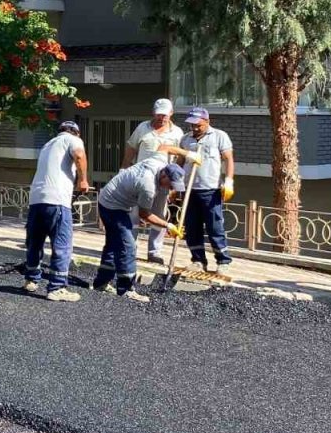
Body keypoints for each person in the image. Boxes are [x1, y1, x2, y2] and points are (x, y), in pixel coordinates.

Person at [94, 158, 198, 300]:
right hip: (113, 205)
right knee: (128, 246)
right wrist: (168, 225)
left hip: (110, 199)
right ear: (164, 176)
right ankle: (126, 288)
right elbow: (144, 214)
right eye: (171, 185)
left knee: (113, 244)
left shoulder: (159, 164)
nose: (171, 189)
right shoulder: (148, 185)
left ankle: (101, 283)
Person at [22, 121, 90, 302]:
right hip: (57, 200)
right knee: (62, 244)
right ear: (76, 133)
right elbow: (79, 155)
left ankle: (31, 278)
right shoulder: (73, 140)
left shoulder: (48, 144)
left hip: (37, 199)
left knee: (35, 241)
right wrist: (83, 180)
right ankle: (57, 287)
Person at [123, 98, 184, 265]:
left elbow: (179, 158)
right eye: (159, 115)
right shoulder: (143, 128)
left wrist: (174, 184)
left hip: (164, 181)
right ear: (153, 113)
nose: (161, 118)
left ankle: (154, 251)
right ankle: (130, 248)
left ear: (171, 113)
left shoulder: (177, 133)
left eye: (165, 115)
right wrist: (124, 168)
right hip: (140, 180)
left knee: (159, 215)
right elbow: (131, 148)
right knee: (134, 215)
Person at [179, 107, 236, 271]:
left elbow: (228, 159)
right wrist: (176, 184)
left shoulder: (219, 136)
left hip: (210, 190)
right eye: (192, 125)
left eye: (199, 125)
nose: (195, 128)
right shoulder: (185, 139)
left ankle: (223, 261)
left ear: (207, 122)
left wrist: (229, 181)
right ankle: (198, 260)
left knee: (215, 227)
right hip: (189, 190)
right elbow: (180, 162)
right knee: (192, 227)